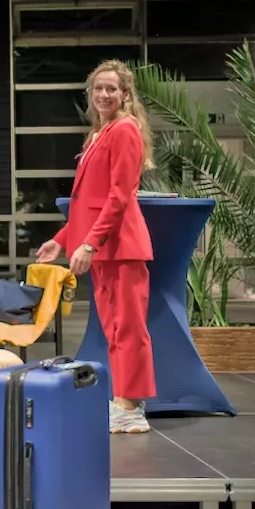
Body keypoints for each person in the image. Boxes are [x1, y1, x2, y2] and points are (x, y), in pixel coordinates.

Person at [36, 59, 156, 436]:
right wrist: (60, 240)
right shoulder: (98, 134)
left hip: (121, 248)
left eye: (111, 88)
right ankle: (124, 401)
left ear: (125, 94)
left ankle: (130, 407)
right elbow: (88, 201)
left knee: (129, 329)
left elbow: (119, 197)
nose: (104, 94)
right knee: (115, 330)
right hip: (105, 249)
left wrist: (89, 243)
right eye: (98, 88)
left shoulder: (125, 130)